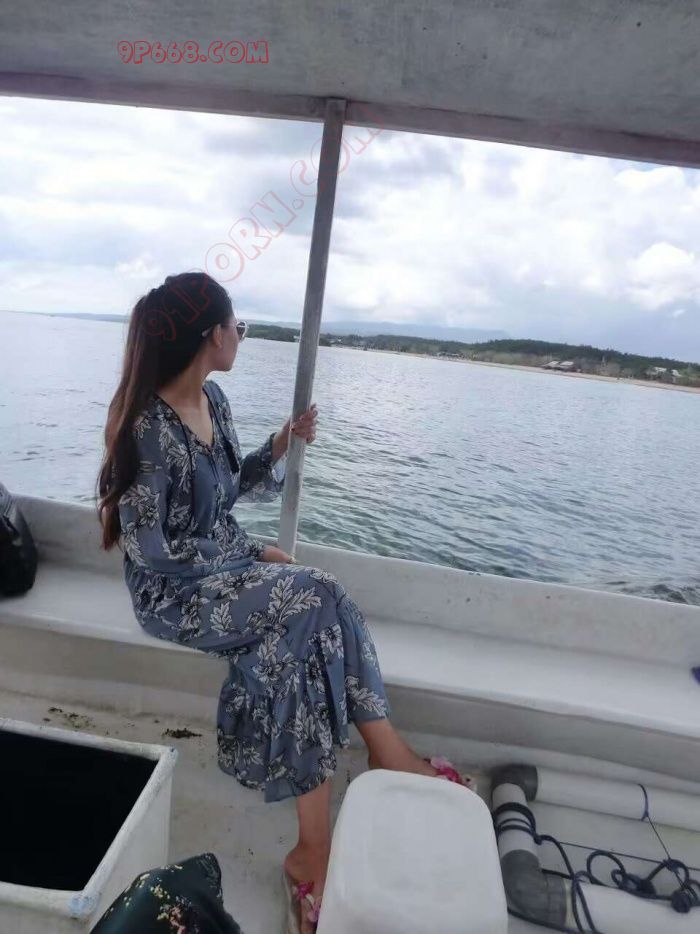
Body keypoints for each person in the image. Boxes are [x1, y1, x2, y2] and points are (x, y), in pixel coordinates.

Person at [97, 272, 472, 933]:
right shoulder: (147, 429)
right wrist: (249, 554)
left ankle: (323, 835)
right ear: (211, 335)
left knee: (312, 614)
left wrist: (282, 441)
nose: (240, 335)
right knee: (312, 596)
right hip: (173, 593)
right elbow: (151, 550)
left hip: (220, 572)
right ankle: (372, 775)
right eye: (237, 325)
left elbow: (226, 491)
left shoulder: (213, 401)